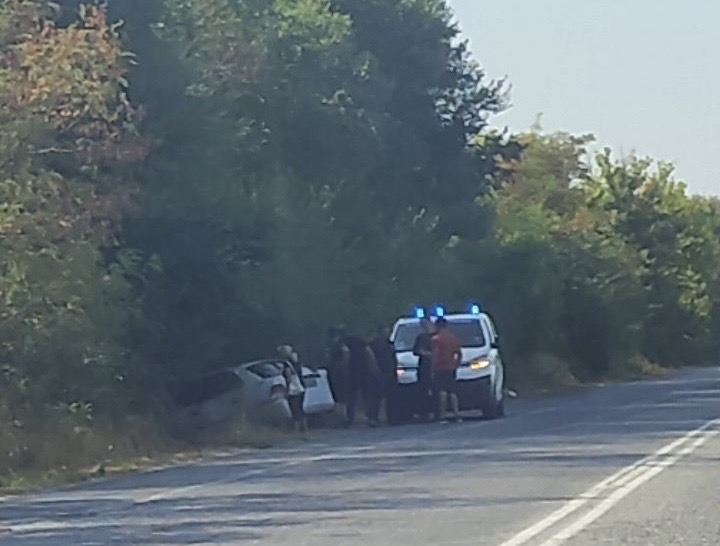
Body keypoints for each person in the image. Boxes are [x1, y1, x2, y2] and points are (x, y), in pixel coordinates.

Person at [342, 328, 382, 427]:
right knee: (368, 396)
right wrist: (374, 367)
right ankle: (372, 418)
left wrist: (345, 367)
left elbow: (346, 353)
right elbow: (369, 354)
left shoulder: (344, 341)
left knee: (351, 397)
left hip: (352, 372)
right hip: (365, 371)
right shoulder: (360, 341)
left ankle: (349, 419)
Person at [431, 317, 462, 423]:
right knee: (453, 392)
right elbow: (459, 353)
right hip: (451, 367)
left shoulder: (436, 339)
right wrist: (456, 364)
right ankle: (457, 414)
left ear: (437, 326)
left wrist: (432, 367)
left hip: (440, 368)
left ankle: (443, 415)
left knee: (442, 392)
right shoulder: (453, 338)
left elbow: (435, 354)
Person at [369, 325, 400, 425]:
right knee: (376, 397)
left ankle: (392, 418)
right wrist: (375, 370)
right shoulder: (374, 344)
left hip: (390, 373)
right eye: (385, 331)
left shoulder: (390, 344)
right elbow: (370, 358)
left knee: (391, 397)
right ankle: (374, 418)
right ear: (380, 332)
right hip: (379, 373)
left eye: (388, 331)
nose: (387, 333)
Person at [278, 344, 307, 435]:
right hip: (300, 388)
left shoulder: (286, 364)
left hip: (293, 389)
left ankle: (296, 430)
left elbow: (289, 376)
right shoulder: (296, 363)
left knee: (294, 410)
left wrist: (287, 388)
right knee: (300, 409)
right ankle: (304, 428)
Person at [412, 317, 436, 421]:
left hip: (436, 366)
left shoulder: (436, 337)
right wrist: (423, 352)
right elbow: (415, 350)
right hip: (423, 367)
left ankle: (437, 412)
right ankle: (424, 413)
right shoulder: (421, 337)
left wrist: (431, 354)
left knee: (436, 390)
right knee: (422, 391)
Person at [326, 327, 350, 415]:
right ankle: (342, 415)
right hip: (337, 372)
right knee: (340, 395)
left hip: (337, 371)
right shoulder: (338, 345)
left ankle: (342, 415)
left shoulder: (337, 345)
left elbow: (346, 355)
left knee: (340, 395)